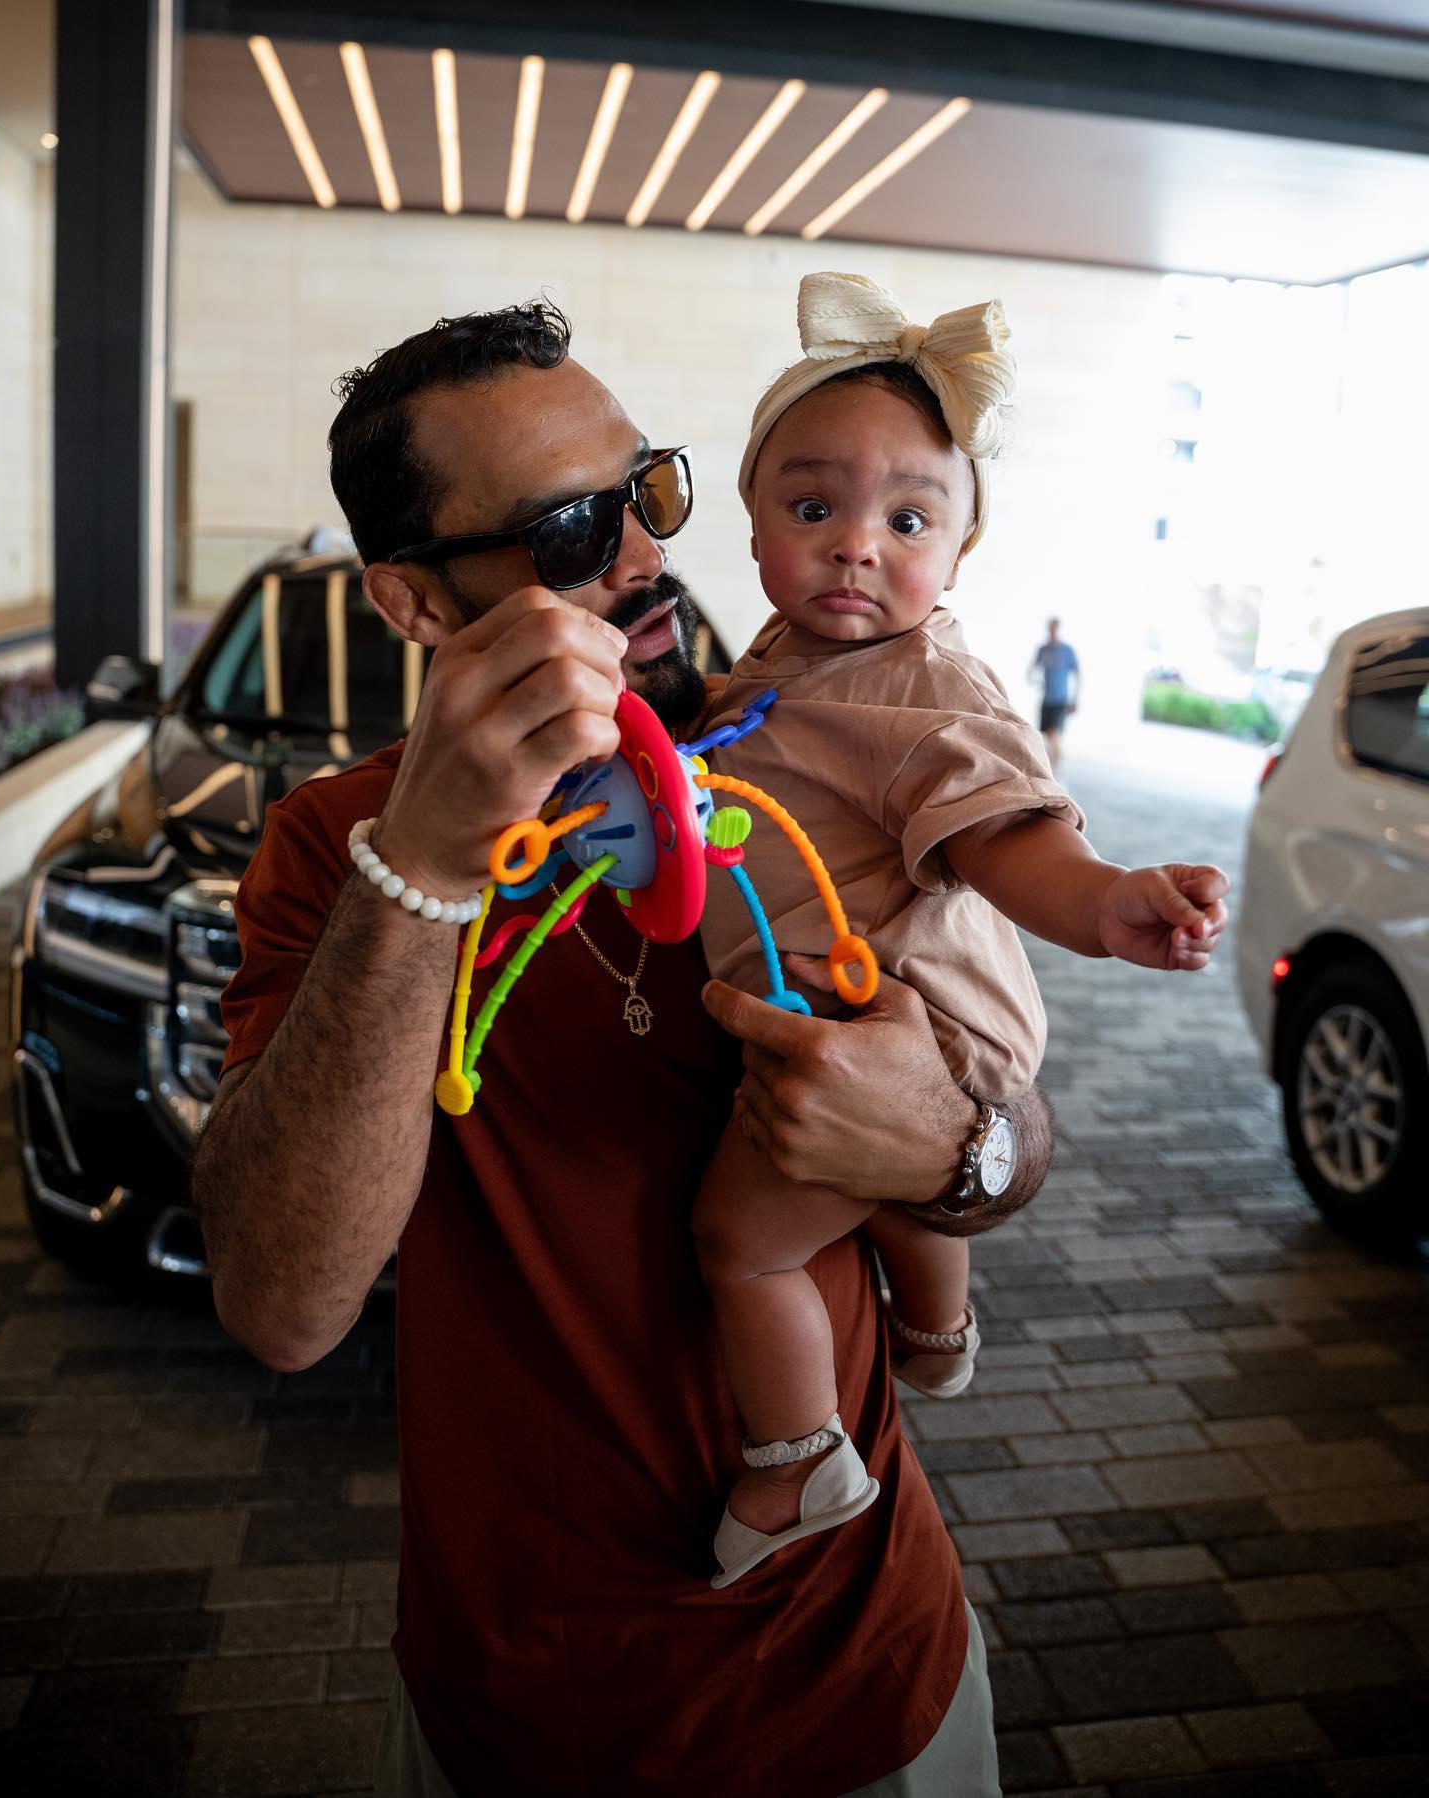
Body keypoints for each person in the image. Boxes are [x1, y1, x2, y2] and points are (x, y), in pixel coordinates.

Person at [194, 301, 1057, 1798]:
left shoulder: (795, 761)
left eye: (647, 492)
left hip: (871, 1672)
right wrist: (426, 864)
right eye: (574, 526)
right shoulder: (333, 850)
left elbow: (1010, 1121)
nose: (647, 556)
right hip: (528, 1707)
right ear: (412, 606)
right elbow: (283, 1303)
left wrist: (960, 1144)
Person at [691, 273, 1229, 1588]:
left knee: (741, 1236)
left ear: (960, 550)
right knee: (885, 1187)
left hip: (913, 1021)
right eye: (811, 507)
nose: (855, 544)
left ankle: (798, 1457)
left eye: (906, 517)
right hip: (896, 1023)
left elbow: (1004, 832)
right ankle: (937, 1331)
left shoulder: (926, 682)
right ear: (754, 520)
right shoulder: (788, 661)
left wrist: (1101, 899)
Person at [1031, 616, 1079, 771]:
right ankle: (1054, 770)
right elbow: (1032, 671)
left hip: (1061, 699)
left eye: (1055, 628)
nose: (1053, 631)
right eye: (1051, 628)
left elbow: (1078, 674)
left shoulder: (1066, 651)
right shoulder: (1043, 650)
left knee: (1054, 736)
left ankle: (1056, 773)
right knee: (1048, 737)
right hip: (1047, 699)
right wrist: (1038, 682)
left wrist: (1075, 699)